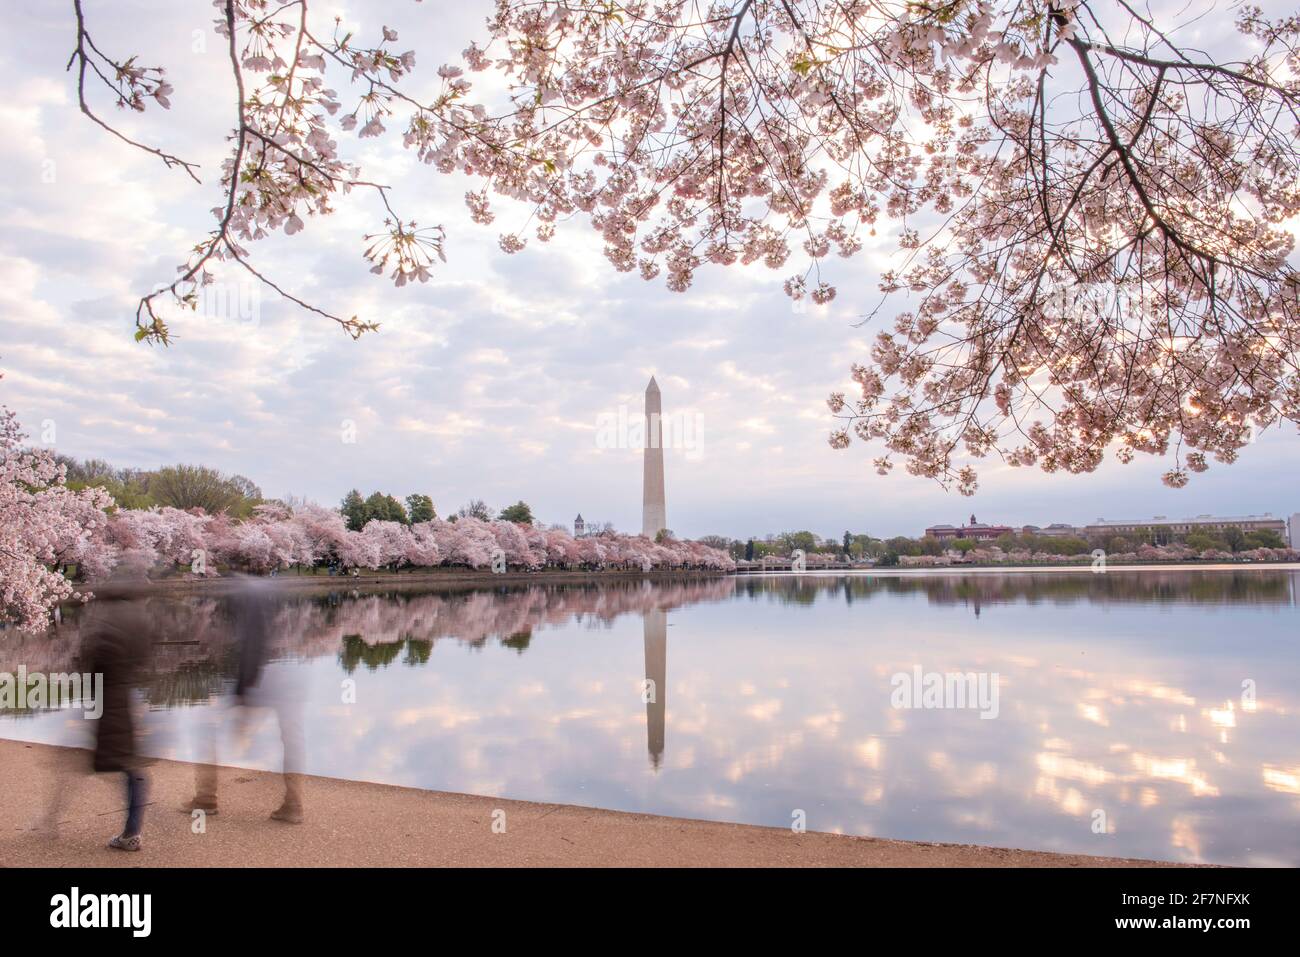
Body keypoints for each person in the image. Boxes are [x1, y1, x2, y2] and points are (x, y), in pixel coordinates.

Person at [82, 597, 155, 852]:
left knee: (131, 771)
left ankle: (131, 834)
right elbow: (140, 659)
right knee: (130, 768)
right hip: (120, 701)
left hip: (110, 704)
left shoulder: (106, 632)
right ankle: (132, 831)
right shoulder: (132, 626)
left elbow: (93, 673)